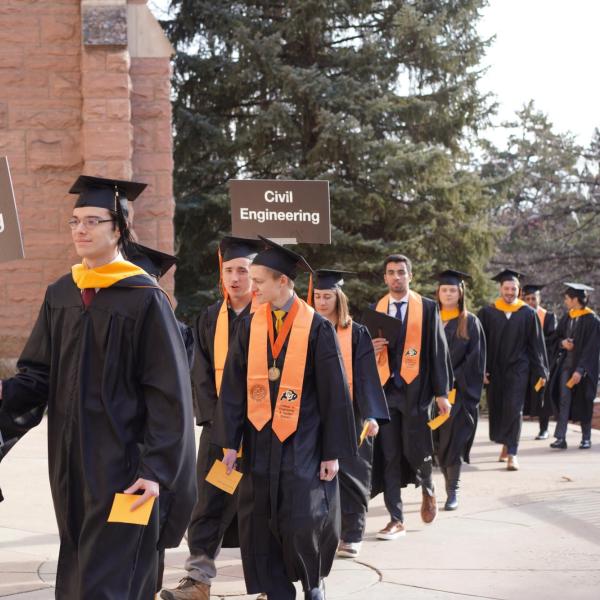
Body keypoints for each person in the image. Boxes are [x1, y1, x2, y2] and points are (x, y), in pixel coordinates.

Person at [0, 175, 196, 599]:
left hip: (125, 465)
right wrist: (4, 394)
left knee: (112, 577)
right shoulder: (61, 293)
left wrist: (157, 470)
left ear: (119, 228)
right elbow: (37, 375)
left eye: (92, 220)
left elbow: (168, 394)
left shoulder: (145, 298)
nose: (81, 230)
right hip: (69, 462)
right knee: (78, 568)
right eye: (74, 222)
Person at [214, 237, 357, 600]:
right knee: (259, 522)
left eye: (258, 280)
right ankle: (276, 592)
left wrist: (332, 452)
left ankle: (312, 582)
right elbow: (233, 389)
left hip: (303, 441)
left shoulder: (317, 328)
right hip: (260, 440)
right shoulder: (250, 326)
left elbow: (335, 395)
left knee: (302, 520)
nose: (252, 286)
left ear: (282, 282)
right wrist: (230, 443)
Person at [161, 235, 265, 600]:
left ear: (257, 276)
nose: (235, 278)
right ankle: (198, 579)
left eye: (243, 271)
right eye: (228, 271)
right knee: (209, 502)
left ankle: (271, 583)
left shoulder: (273, 317)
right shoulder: (209, 318)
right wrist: (221, 429)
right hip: (220, 430)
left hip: (265, 429)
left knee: (264, 505)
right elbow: (200, 377)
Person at [126, 242, 197, 594]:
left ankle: (148, 588)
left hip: (154, 441)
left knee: (149, 527)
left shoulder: (178, 331)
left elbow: (174, 395)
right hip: (120, 441)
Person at [369, 254, 452, 540]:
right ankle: (396, 519)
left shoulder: (427, 309)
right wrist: (371, 347)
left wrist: (442, 393)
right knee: (389, 455)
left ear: (410, 276)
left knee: (414, 450)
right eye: (391, 272)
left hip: (417, 393)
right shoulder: (376, 310)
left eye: (401, 272)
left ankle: (428, 486)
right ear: (385, 277)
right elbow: (363, 355)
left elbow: (438, 352)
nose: (396, 277)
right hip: (386, 393)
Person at [312, 269, 389, 559]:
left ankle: (353, 534)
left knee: (354, 475)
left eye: (327, 296)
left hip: (354, 413)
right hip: (318, 412)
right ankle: (324, 531)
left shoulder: (356, 332)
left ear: (338, 297)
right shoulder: (309, 330)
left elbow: (368, 376)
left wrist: (371, 415)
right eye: (318, 296)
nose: (321, 302)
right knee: (321, 475)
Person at [477, 269, 549, 471]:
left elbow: (537, 345)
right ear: (500, 289)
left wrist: (542, 370)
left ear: (519, 291)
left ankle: (513, 452)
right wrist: (481, 369)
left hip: (519, 369)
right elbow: (480, 345)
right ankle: (506, 443)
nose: (510, 292)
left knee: (515, 408)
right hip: (495, 369)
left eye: (513, 288)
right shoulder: (488, 312)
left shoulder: (527, 313)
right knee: (498, 408)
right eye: (506, 288)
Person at [434, 270, 486, 511]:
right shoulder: (430, 318)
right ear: (438, 292)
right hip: (431, 394)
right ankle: (435, 487)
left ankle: (452, 489)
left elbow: (475, 361)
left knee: (453, 442)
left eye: (452, 290)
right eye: (444, 289)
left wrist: (451, 382)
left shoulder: (470, 322)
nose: (448, 293)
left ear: (460, 293)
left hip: (458, 394)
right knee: (437, 444)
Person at [548, 283, 600, 450]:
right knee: (564, 401)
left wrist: (580, 370)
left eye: (567, 299)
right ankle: (560, 437)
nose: (565, 301)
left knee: (585, 401)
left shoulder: (592, 320)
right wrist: (563, 343)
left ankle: (586, 438)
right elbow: (555, 338)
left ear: (575, 299)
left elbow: (592, 348)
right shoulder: (568, 317)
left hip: (584, 370)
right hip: (566, 366)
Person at [521, 284, 558, 440]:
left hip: (541, 363)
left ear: (539, 299)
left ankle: (543, 429)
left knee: (543, 398)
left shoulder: (548, 317)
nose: (530, 301)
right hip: (523, 364)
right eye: (527, 298)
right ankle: (513, 431)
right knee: (520, 397)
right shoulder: (519, 315)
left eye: (533, 298)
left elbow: (552, 341)